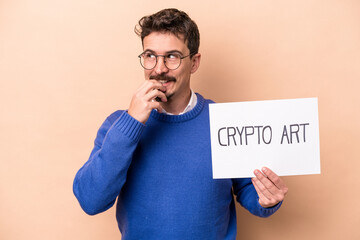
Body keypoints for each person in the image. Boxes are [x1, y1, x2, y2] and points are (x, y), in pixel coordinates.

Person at [73, 8, 288, 240]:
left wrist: (266, 199)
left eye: (172, 56)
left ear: (194, 62)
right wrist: (131, 122)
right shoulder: (118, 125)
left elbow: (247, 189)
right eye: (150, 55)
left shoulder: (224, 122)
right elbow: (90, 201)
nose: (159, 68)